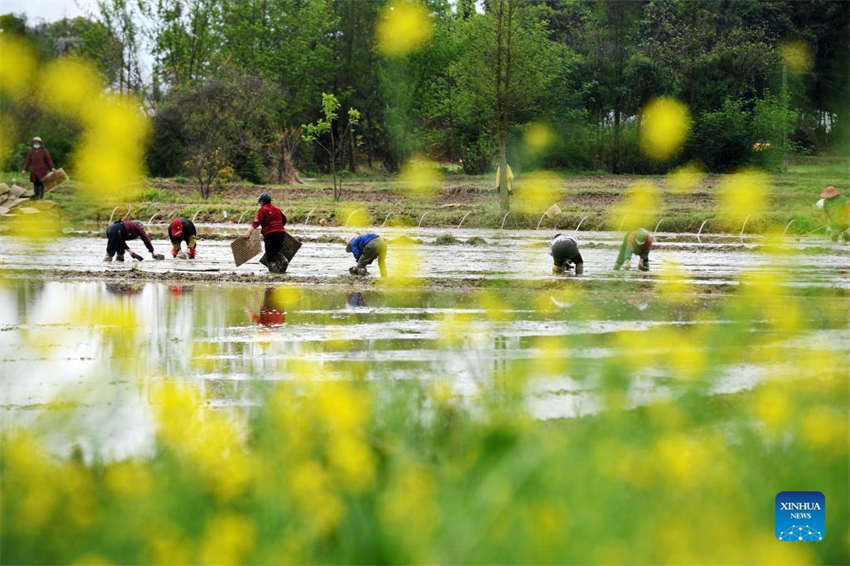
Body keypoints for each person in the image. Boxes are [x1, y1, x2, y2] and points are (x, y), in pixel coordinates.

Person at [246, 192, 288, 272]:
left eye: (259, 201)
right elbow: (284, 220)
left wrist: (248, 232)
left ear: (262, 201)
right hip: (281, 234)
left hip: (270, 235)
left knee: (270, 255)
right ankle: (283, 261)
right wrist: (278, 228)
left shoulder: (262, 210)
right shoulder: (277, 209)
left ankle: (272, 272)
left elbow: (256, 223)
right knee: (275, 251)